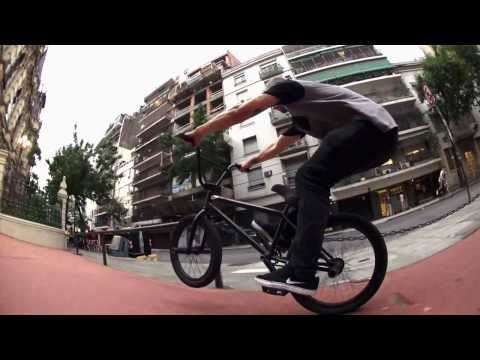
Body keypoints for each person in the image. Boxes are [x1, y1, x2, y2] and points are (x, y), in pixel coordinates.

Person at [182, 77, 398, 296]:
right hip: (377, 146)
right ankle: (286, 241)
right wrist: (252, 162)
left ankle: (302, 273)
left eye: (274, 102)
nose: (274, 107)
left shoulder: (291, 88)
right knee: (312, 185)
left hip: (372, 129)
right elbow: (278, 145)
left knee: (308, 177)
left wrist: (201, 131)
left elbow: (241, 111)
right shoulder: (303, 120)